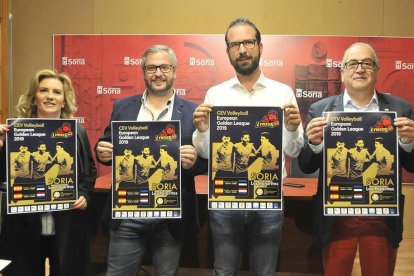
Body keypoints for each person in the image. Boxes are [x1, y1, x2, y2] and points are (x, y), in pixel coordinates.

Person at [192, 18, 304, 276]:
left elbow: (293, 151)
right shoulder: (215, 94)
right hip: (225, 200)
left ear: (260, 47)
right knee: (224, 270)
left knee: (264, 272)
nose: (242, 49)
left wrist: (290, 128)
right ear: (228, 52)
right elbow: (207, 153)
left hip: (268, 200)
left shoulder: (282, 93)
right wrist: (201, 130)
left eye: (248, 42)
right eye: (235, 45)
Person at [298, 42, 414, 276]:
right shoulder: (320, 110)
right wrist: (315, 143)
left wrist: (408, 142)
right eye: (352, 63)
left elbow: (411, 165)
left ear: (377, 70)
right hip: (336, 216)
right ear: (342, 71)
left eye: (367, 63)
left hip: (380, 216)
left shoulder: (400, 109)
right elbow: (306, 165)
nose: (359, 69)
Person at [95, 45, 207, 276]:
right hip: (128, 212)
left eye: (164, 67)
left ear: (174, 71)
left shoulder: (193, 112)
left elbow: (206, 160)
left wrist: (194, 161)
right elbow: (107, 146)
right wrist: (101, 151)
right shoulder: (123, 106)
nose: (158, 73)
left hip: (170, 216)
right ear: (143, 71)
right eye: (151, 67)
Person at [0, 69, 97, 276]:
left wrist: (84, 194)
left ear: (64, 101)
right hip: (24, 225)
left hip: (67, 222)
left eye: (57, 92)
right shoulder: (13, 131)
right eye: (43, 90)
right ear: (34, 98)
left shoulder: (77, 132)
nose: (50, 96)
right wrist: (0, 146)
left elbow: (90, 171)